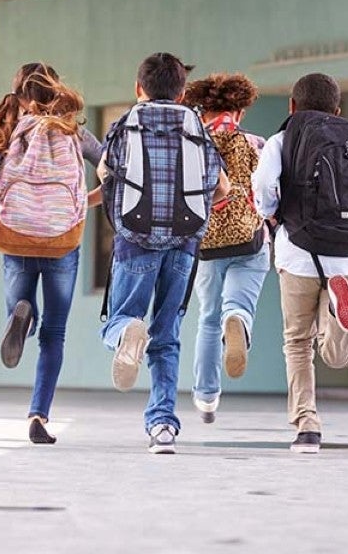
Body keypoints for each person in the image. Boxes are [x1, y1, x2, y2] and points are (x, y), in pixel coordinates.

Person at [253, 73, 348, 454]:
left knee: (297, 343)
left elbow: (264, 185)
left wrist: (270, 214)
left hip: (298, 253)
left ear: (292, 107)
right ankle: (338, 317)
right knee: (337, 355)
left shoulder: (283, 140)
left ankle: (307, 425)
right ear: (338, 107)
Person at [99, 53, 228, 454]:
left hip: (135, 238)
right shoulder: (196, 125)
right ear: (182, 91)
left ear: (139, 89)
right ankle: (162, 427)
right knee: (167, 333)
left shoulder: (126, 124)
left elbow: (105, 173)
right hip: (184, 242)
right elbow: (220, 186)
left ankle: (126, 333)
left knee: (119, 318)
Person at [0, 62, 102, 444]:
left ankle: (21, 316)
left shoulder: (10, 131)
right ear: (56, 92)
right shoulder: (74, 131)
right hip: (63, 238)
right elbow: (112, 167)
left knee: (19, 307)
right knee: (55, 334)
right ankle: (39, 416)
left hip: (17, 236)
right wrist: (85, 201)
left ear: (21, 97)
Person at [182, 73, 269, 423]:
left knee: (207, 318)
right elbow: (269, 194)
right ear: (241, 109)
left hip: (205, 244)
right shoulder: (255, 143)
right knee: (238, 305)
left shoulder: (194, 143)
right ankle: (239, 320)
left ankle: (206, 397)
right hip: (249, 239)